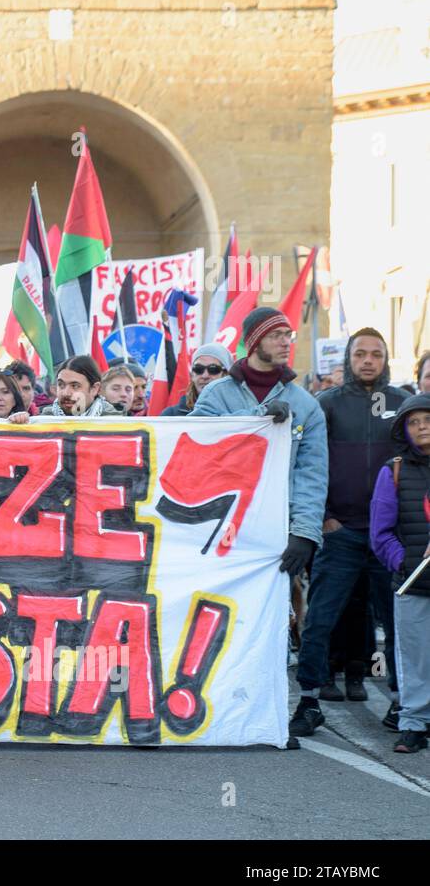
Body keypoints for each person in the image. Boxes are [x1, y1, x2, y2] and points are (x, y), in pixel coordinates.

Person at [290, 329, 409, 738]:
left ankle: (403, 703)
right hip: (339, 532)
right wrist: (323, 516)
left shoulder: (402, 405)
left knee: (397, 625)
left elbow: (415, 468)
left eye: (377, 354)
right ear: (348, 358)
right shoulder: (326, 404)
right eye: (360, 354)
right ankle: (308, 699)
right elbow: (304, 464)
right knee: (320, 619)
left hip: (389, 539)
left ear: (386, 358)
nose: (368, 361)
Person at [190, 306, 327, 606]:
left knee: (268, 617)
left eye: (287, 335)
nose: (285, 342)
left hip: (275, 533)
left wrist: (303, 534)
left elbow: (311, 476)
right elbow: (197, 450)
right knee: (216, 612)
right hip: (218, 528)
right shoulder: (216, 395)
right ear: (254, 341)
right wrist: (257, 418)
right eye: (276, 335)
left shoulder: (306, 405)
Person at [369, 393, 430, 752]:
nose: (423, 427)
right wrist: (406, 561)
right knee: (414, 658)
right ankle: (414, 724)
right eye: (414, 422)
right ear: (404, 430)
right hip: (413, 582)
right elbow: (381, 534)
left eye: (428, 420)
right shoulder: (393, 470)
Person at [161, 343, 231, 416]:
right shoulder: (171, 415)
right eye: (198, 369)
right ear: (192, 375)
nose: (205, 376)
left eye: (213, 369)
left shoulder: (240, 413)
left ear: (226, 375)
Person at [42, 355, 120, 417]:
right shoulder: (45, 419)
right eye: (61, 385)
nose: (66, 393)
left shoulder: (114, 422)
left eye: (75, 386)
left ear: (94, 389)